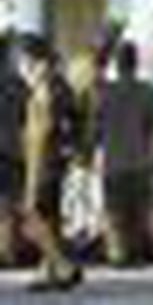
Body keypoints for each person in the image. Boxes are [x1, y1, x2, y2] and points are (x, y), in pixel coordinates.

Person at [18, 34, 82, 292]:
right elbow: (72, 123)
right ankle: (48, 272)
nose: (23, 67)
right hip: (52, 160)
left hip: (42, 161)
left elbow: (49, 129)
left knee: (31, 216)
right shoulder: (60, 85)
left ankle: (63, 266)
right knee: (50, 218)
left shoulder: (46, 89)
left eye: (25, 60)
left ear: (36, 60)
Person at [98, 40, 153, 266]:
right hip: (140, 159)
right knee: (137, 210)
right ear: (136, 63)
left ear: (118, 64)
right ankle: (135, 252)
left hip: (112, 159)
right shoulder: (150, 92)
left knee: (114, 209)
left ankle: (117, 253)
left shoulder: (105, 93)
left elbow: (96, 127)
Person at [0, 34, 27, 266]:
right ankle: (9, 252)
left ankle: (7, 252)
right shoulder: (16, 83)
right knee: (10, 204)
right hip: (13, 149)